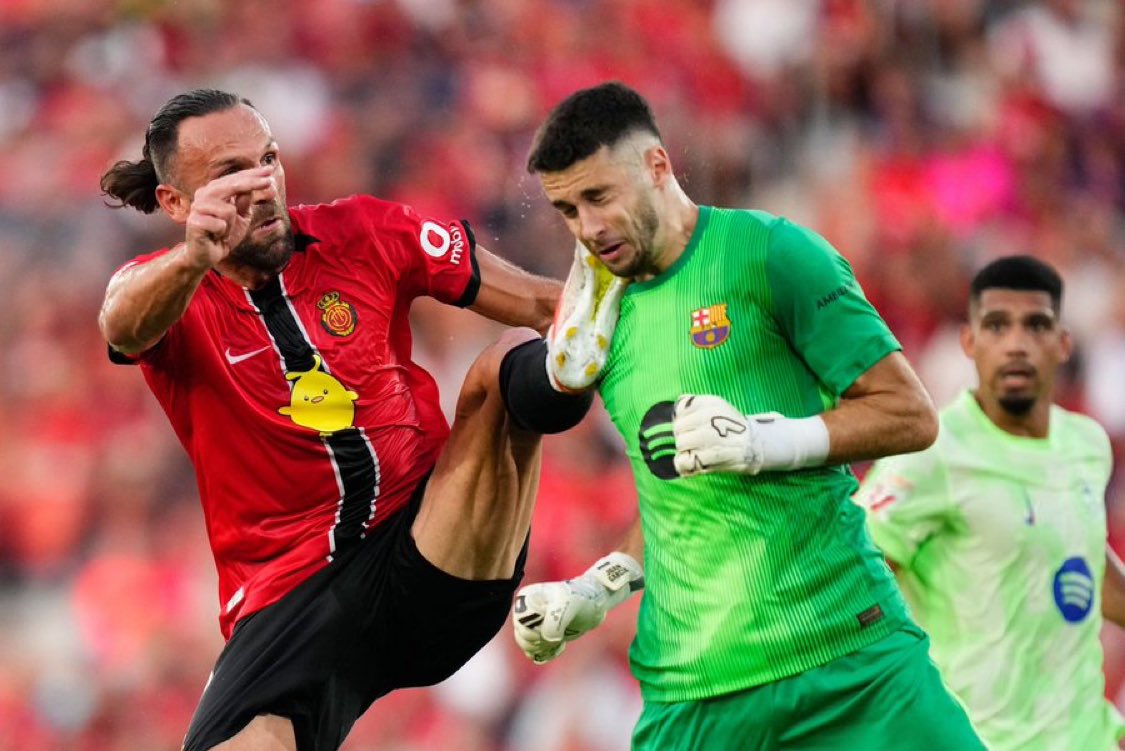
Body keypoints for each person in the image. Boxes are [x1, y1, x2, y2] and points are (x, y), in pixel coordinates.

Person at [97, 88, 618, 751]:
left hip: (428, 549)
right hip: (289, 599)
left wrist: (651, 312)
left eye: (268, 159)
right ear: (176, 203)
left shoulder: (364, 231)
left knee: (508, 363)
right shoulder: (169, 293)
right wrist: (194, 257)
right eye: (231, 173)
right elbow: (120, 323)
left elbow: (547, 305)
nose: (262, 185)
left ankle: (563, 385)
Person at [510, 81, 988, 750]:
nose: (588, 227)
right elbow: (676, 505)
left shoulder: (771, 253)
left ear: (656, 166)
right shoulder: (602, 325)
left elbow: (909, 414)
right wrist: (596, 589)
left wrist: (763, 440)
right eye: (567, 209)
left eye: (599, 196)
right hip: (694, 692)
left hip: (849, 657)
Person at [855, 255, 1125, 750]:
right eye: (998, 326)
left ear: (1063, 343)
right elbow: (853, 572)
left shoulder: (1087, 444)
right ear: (969, 342)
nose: (1016, 343)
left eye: (1036, 325)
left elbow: (1083, 555)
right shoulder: (931, 453)